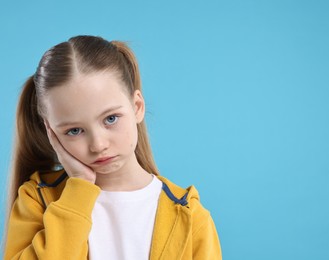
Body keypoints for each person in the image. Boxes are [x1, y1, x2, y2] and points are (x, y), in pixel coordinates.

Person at [3, 35, 222, 259]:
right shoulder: (37, 199)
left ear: (137, 106)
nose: (98, 145)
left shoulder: (190, 217)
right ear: (51, 132)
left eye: (110, 119)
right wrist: (78, 190)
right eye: (74, 131)